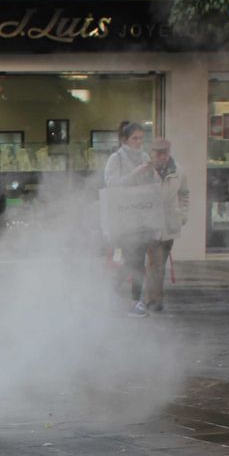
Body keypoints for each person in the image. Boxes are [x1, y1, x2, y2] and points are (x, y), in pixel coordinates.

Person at [102, 120, 156, 314]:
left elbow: (152, 185)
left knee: (139, 260)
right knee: (124, 259)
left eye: (141, 138)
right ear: (125, 139)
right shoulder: (115, 159)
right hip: (122, 219)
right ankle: (111, 292)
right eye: (135, 138)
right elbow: (112, 184)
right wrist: (135, 173)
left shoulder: (144, 156)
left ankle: (136, 300)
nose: (139, 142)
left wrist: (152, 172)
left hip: (141, 216)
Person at [140, 137, 190, 314]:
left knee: (158, 264)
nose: (161, 156)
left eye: (164, 152)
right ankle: (152, 300)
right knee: (155, 263)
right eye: (157, 152)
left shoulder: (178, 171)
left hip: (170, 223)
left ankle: (153, 300)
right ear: (151, 152)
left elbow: (184, 194)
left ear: (169, 152)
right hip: (149, 223)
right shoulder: (144, 171)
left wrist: (183, 215)